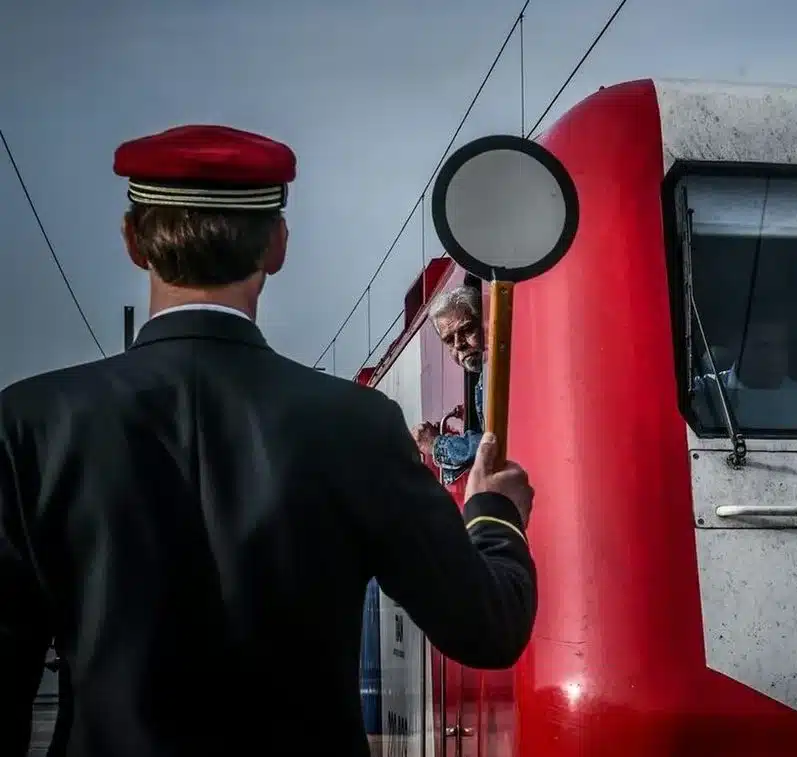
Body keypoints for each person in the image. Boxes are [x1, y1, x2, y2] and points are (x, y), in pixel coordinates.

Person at [0, 125, 537, 757]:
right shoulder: (356, 424)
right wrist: (494, 513)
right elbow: (487, 629)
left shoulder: (31, 423)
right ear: (277, 245)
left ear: (133, 242)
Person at [414, 285, 484, 485]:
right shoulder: (481, 382)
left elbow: (499, 443)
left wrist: (437, 444)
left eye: (467, 330)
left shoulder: (506, 370)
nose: (458, 344)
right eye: (449, 340)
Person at [693, 312, 797, 430]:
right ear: (737, 347)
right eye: (762, 346)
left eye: (781, 346)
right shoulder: (705, 391)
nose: (775, 358)